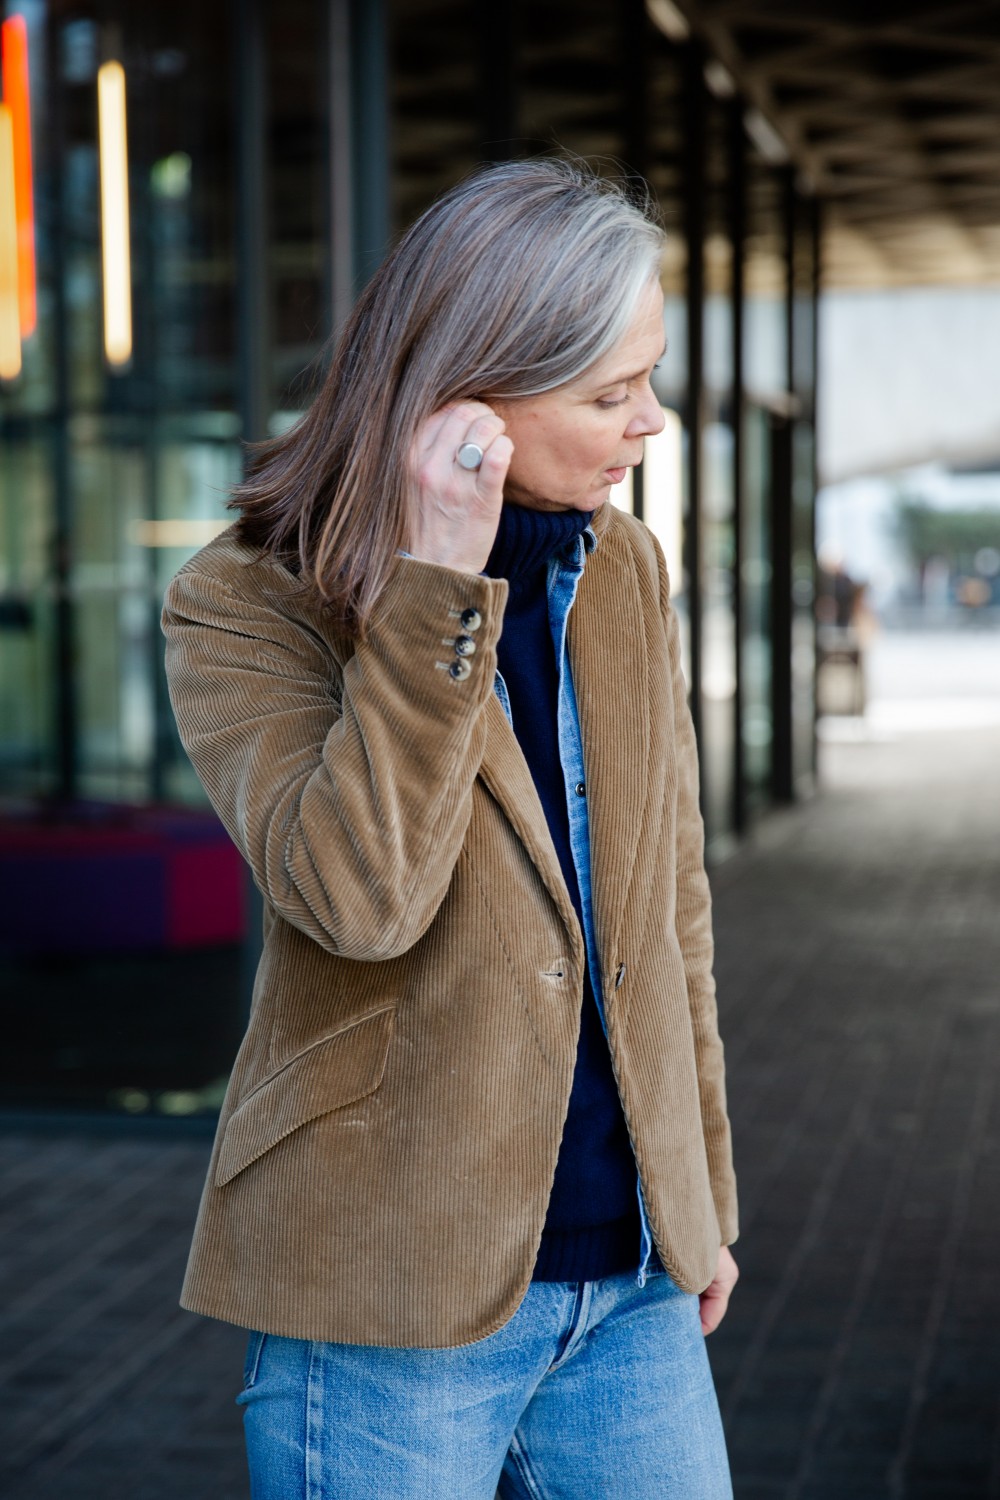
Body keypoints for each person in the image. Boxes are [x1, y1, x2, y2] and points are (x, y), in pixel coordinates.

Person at [162, 157, 739, 1499]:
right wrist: (437, 581)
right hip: (386, 1295)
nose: (649, 422)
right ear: (475, 396)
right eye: (610, 394)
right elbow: (361, 899)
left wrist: (700, 1198)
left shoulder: (625, 570)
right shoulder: (250, 603)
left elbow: (674, 912)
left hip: (637, 1284)